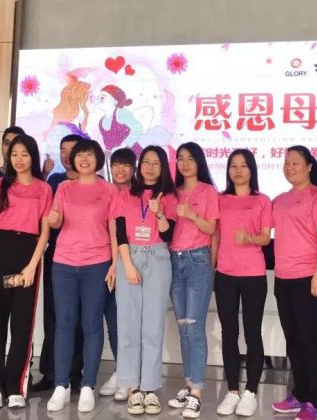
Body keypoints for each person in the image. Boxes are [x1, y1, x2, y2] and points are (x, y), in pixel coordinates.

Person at [0, 134, 52, 409]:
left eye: (24, 154)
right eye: (14, 154)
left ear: (33, 156)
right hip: (1, 251)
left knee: (22, 323)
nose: (18, 159)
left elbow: (44, 232)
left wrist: (32, 265)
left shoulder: (44, 188)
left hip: (28, 252)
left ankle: (16, 387)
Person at [46, 140, 119, 413]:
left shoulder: (109, 190)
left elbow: (114, 229)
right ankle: (61, 386)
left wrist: (114, 264)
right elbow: (56, 220)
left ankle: (88, 384)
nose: (84, 159)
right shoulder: (64, 188)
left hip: (97, 263)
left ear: (98, 159)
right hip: (64, 263)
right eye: (80, 155)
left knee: (92, 325)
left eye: (89, 155)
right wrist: (53, 220)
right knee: (64, 324)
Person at [271, 145, 317, 420]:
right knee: (294, 340)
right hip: (283, 279)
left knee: (311, 341)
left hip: (310, 278)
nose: (289, 167)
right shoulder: (279, 200)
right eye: (286, 163)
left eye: (295, 163)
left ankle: (315, 402)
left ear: (309, 166)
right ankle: (300, 394)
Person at [113, 145, 178, 415]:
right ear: (140, 166)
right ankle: (132, 389)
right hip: (129, 257)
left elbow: (168, 235)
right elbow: (120, 232)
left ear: (163, 168)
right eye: (146, 162)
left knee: (153, 326)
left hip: (158, 258)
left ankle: (150, 389)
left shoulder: (169, 196)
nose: (150, 167)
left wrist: (159, 213)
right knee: (128, 326)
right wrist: (127, 265)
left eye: (156, 163)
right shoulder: (126, 194)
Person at [212, 149, 272, 417]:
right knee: (229, 332)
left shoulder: (262, 200)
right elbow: (215, 235)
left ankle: (251, 392)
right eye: (233, 166)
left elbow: (265, 238)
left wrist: (249, 238)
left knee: (252, 332)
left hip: (253, 275)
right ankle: (233, 390)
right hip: (225, 273)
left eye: (244, 166)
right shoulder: (220, 199)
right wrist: (212, 265)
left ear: (252, 170)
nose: (238, 171)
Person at [167, 142, 219, 419]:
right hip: (174, 261)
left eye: (190, 159)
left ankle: (196, 393)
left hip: (198, 260)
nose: (185, 163)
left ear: (199, 162)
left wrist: (191, 215)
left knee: (195, 329)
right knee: (183, 328)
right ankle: (189, 385)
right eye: (180, 159)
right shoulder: (172, 193)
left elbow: (211, 227)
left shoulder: (208, 191)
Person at [32, 133, 86, 392]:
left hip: (87, 257)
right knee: (54, 315)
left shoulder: (96, 183)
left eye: (72, 150)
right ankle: (50, 372)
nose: (66, 155)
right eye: (62, 149)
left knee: (79, 317)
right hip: (56, 253)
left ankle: (75, 373)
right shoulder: (54, 181)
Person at [97, 147, 137, 401]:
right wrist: (113, 262)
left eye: (126, 165)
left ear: (134, 168)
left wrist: (120, 262)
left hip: (133, 263)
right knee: (114, 320)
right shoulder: (106, 191)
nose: (120, 170)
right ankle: (122, 370)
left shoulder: (139, 193)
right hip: (105, 261)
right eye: (116, 165)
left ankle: (129, 374)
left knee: (130, 321)